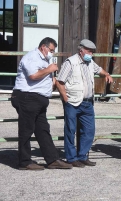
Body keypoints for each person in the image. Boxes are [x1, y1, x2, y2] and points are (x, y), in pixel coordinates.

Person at [10, 37, 73, 170]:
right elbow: (33, 75)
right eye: (51, 50)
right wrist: (49, 70)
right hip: (27, 97)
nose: (52, 53)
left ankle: (52, 159)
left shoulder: (45, 59)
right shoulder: (32, 57)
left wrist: (52, 80)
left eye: (53, 51)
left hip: (38, 99)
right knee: (26, 130)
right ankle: (24, 162)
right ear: (43, 47)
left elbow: (44, 74)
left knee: (43, 130)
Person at [56, 39, 113, 168]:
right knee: (70, 131)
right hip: (73, 102)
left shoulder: (90, 63)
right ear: (81, 50)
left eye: (92, 52)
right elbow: (60, 82)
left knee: (89, 131)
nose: (91, 54)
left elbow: (99, 70)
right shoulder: (71, 62)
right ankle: (71, 158)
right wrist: (65, 98)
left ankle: (82, 156)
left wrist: (106, 74)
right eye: (88, 51)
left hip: (87, 103)